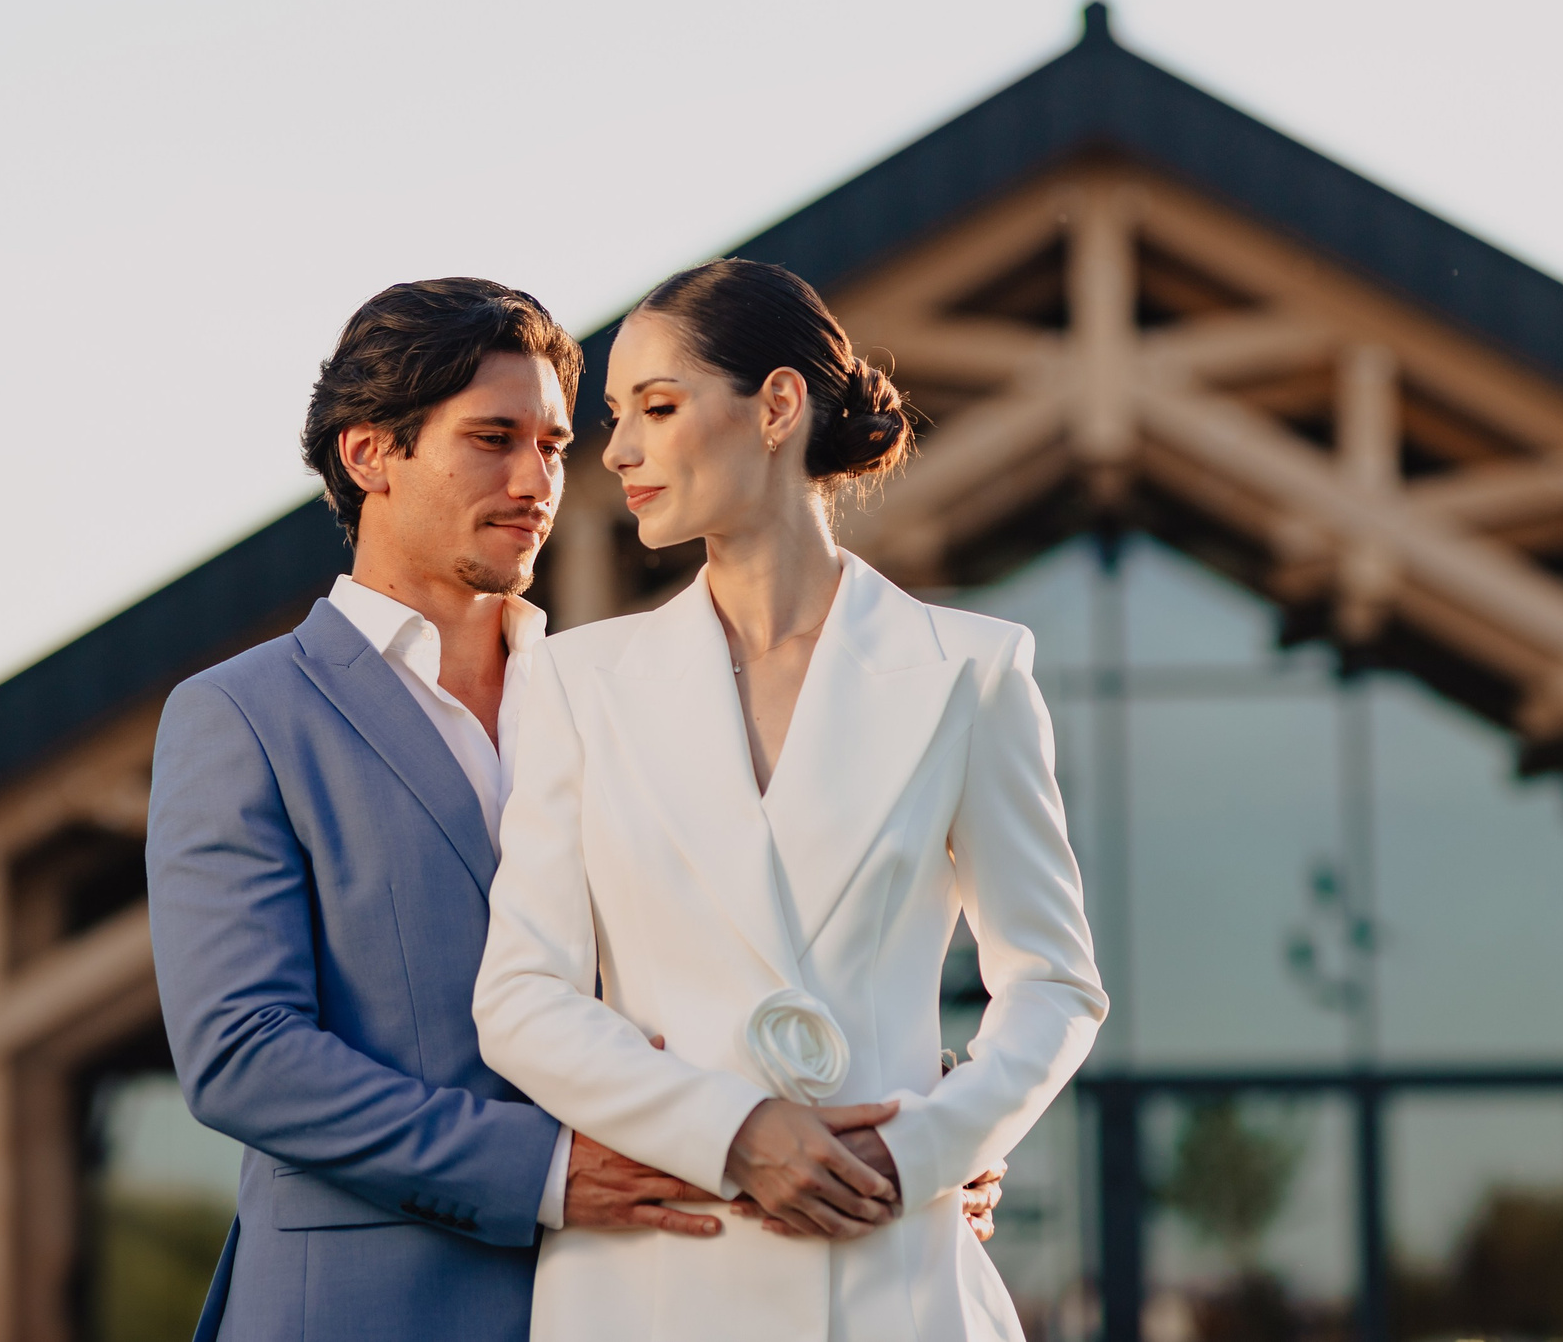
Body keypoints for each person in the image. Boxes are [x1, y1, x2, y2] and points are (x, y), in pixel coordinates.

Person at [146, 278, 1003, 1342]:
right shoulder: (241, 717)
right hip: (375, 1308)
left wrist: (911, 1130)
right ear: (370, 455)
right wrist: (546, 1170)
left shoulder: (620, 689)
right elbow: (244, 1052)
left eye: (553, 444)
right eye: (492, 440)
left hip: (649, 1298)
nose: (537, 481)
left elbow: (749, 943)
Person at [474, 259, 1107, 1342]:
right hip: (654, 1277)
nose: (617, 451)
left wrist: (921, 1153)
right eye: (614, 417)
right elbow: (522, 997)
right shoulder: (580, 683)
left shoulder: (970, 672)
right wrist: (735, 1131)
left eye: (656, 409)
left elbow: (1052, 985)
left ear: (776, 406)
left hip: (888, 1270)